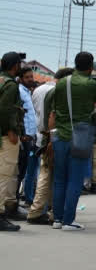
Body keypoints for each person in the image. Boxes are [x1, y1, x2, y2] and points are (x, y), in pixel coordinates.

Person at [48, 51, 96, 231]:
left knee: (59, 179)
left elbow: (54, 107)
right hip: (80, 136)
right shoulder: (91, 84)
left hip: (60, 135)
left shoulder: (61, 83)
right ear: (91, 67)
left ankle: (57, 219)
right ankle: (68, 221)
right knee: (75, 180)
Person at [27, 68, 73, 225]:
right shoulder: (58, 92)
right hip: (53, 139)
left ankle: (46, 210)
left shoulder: (42, 90)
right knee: (48, 175)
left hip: (45, 135)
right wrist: (53, 141)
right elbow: (52, 117)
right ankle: (39, 210)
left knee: (48, 174)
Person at [0, 52, 24, 231]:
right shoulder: (10, 84)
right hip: (5, 136)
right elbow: (6, 109)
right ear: (15, 65)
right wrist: (11, 131)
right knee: (4, 175)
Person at [17, 67, 37, 207]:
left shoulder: (27, 92)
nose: (31, 79)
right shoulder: (19, 91)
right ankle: (12, 204)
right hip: (22, 137)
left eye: (31, 76)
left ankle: (15, 202)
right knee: (17, 173)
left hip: (29, 137)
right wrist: (23, 134)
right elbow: (18, 115)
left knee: (22, 171)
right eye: (27, 77)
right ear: (20, 78)